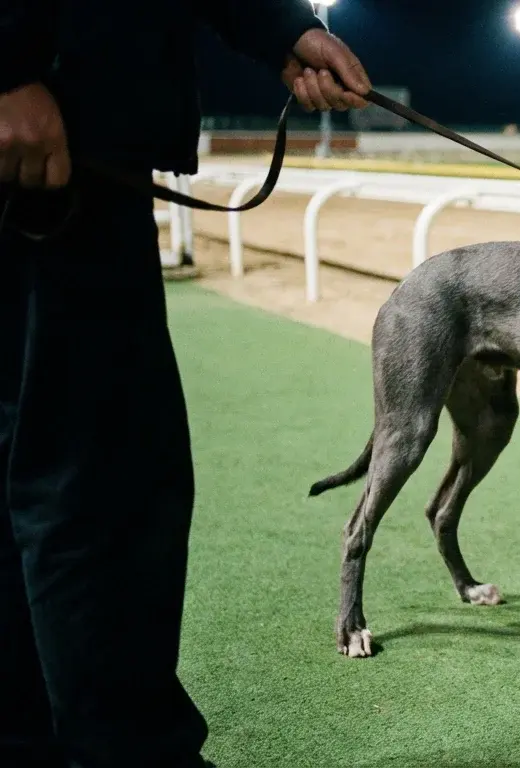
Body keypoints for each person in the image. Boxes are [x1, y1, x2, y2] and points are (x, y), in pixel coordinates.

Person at [0, 2, 373, 766]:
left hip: (73, 146)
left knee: (39, 481)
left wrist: (278, 29)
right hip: (56, 156)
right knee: (107, 488)